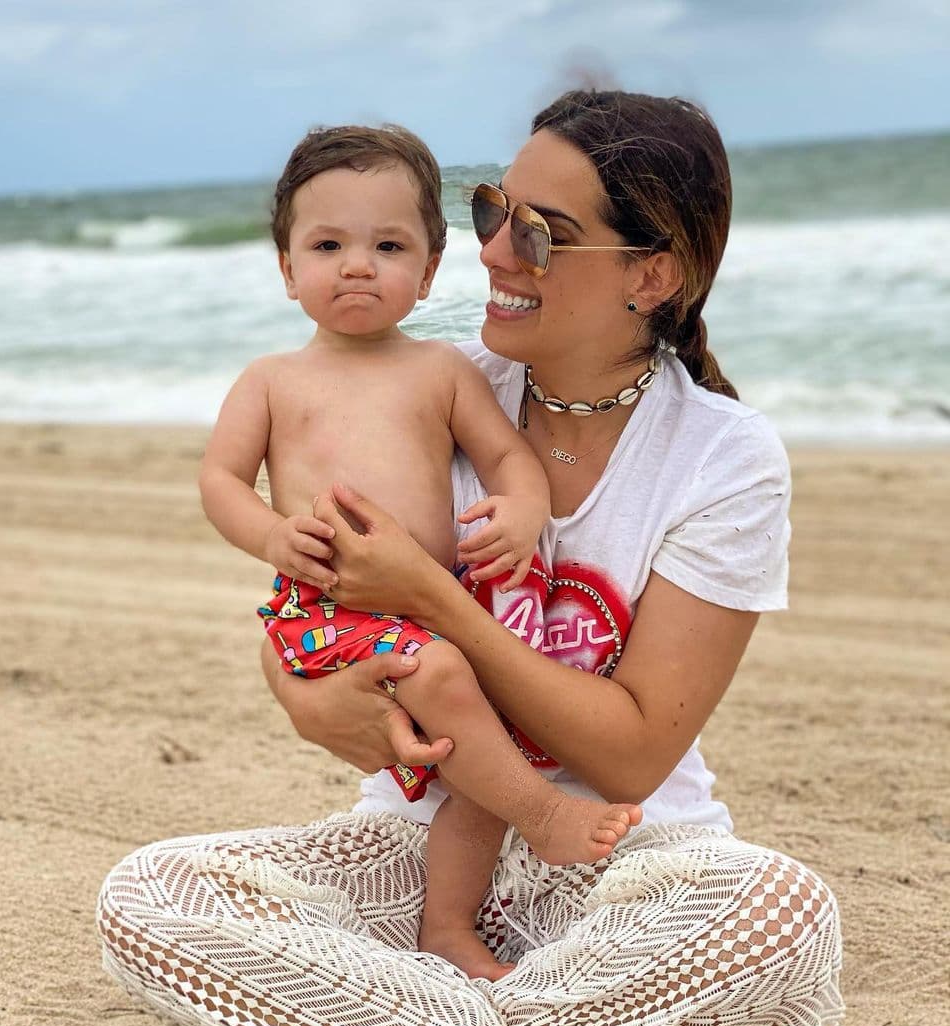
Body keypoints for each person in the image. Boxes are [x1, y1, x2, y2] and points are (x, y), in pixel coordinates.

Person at [97, 89, 843, 1026]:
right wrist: (306, 696)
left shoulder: (723, 457)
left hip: (618, 862)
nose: (495, 249)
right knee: (146, 898)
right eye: (495, 208)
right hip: (422, 844)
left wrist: (437, 596)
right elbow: (309, 618)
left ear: (652, 274)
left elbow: (633, 751)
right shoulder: (430, 384)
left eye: (543, 231)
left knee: (782, 915)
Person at [198, 123, 641, 982]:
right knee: (448, 686)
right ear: (288, 270)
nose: (357, 264)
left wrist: (520, 508)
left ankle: (446, 926)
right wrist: (270, 534)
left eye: (388, 244)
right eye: (328, 244)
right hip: (328, 612)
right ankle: (545, 818)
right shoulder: (271, 380)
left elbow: (510, 455)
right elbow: (220, 479)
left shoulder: (441, 371)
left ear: (429, 271)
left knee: (484, 752)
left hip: (430, 608)